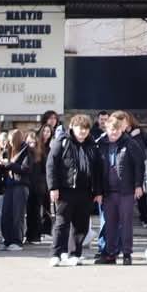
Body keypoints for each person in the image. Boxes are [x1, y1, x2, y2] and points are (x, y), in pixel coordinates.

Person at [46, 112, 99, 266]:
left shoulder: (92, 144)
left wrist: (97, 191)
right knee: (61, 223)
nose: (83, 132)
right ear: (72, 127)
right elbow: (51, 165)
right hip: (65, 190)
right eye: (80, 128)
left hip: (85, 191)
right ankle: (56, 254)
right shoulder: (62, 141)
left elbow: (97, 169)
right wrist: (53, 187)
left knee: (81, 225)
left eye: (86, 129)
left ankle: (74, 253)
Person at [96, 111, 146, 264]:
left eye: (117, 130)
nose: (114, 133)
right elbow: (96, 169)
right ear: (106, 129)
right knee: (109, 224)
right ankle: (111, 253)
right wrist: (97, 191)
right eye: (112, 130)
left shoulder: (130, 143)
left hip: (126, 191)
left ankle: (126, 253)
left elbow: (139, 165)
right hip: (107, 191)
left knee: (126, 223)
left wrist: (138, 185)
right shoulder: (100, 144)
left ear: (121, 130)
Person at [0, 128, 33, 252]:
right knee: (6, 214)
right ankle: (7, 240)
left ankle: (17, 241)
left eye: (11, 140)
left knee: (17, 215)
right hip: (9, 185)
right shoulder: (10, 150)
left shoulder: (27, 151)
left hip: (20, 185)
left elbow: (25, 168)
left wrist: (9, 164)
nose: (9, 143)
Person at [27, 112, 57, 242]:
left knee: (44, 209)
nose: (46, 134)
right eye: (44, 131)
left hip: (45, 182)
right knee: (34, 209)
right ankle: (33, 234)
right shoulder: (36, 146)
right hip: (36, 181)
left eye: (48, 132)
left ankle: (42, 231)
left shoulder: (51, 147)